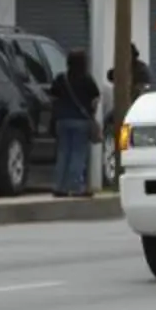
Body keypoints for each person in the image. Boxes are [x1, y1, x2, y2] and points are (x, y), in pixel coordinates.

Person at [50, 49, 101, 198]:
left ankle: (59, 186)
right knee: (78, 154)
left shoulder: (61, 79)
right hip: (81, 121)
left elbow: (52, 98)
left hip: (62, 121)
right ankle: (76, 186)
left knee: (63, 153)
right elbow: (95, 100)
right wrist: (91, 113)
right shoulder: (87, 79)